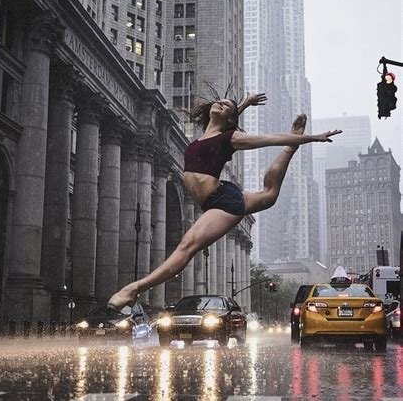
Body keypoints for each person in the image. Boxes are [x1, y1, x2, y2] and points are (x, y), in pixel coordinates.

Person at [107, 92, 342, 312]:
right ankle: (292, 147)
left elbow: (269, 138)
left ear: (230, 117)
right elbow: (226, 117)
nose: (220, 103)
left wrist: (314, 138)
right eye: (219, 101)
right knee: (269, 194)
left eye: (227, 105)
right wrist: (244, 104)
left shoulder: (231, 138)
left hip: (222, 201)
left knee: (187, 246)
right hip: (215, 199)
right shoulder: (207, 136)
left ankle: (133, 289)